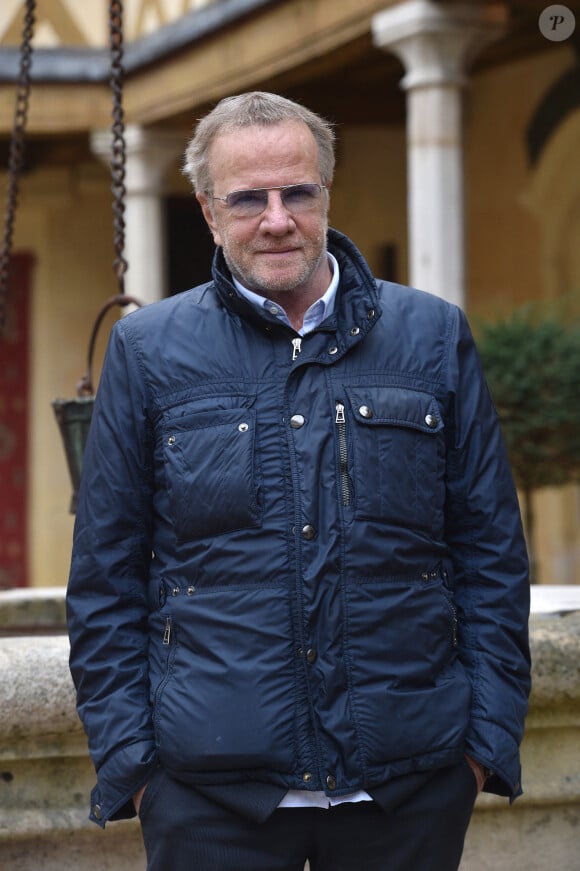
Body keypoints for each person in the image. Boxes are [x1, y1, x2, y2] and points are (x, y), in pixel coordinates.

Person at [67, 91, 531, 871]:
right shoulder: (147, 352)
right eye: (248, 198)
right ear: (210, 213)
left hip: (408, 793)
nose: (276, 218)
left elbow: (491, 554)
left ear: (325, 195)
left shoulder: (431, 335)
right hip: (210, 801)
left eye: (298, 193)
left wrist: (480, 748)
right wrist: (141, 771)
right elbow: (105, 580)